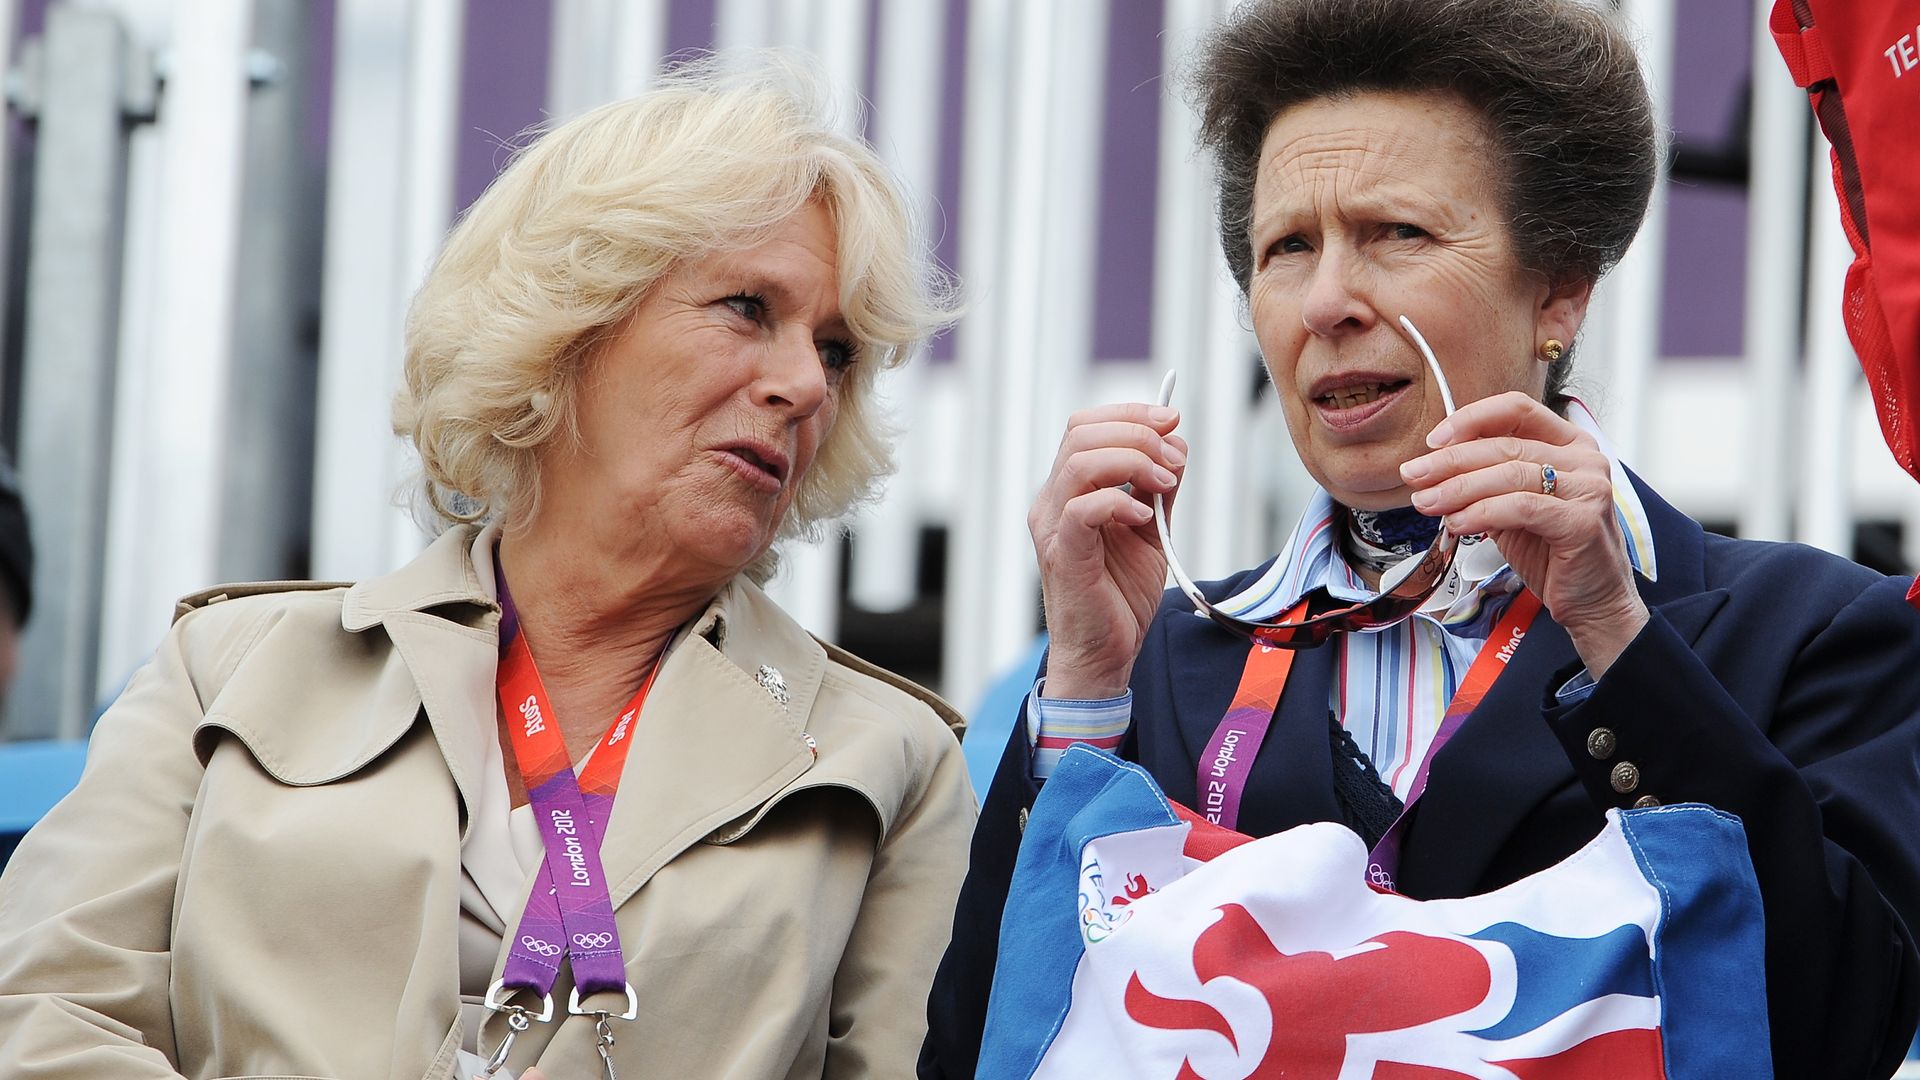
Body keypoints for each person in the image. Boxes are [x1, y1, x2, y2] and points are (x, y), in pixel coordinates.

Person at [922, 2, 1920, 1077]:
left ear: (1562, 287)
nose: (1329, 300)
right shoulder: (1162, 667)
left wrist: (1613, 634)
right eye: (1286, 248)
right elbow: (991, 1050)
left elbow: (1844, 1024)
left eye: (1396, 233)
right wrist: (1081, 690)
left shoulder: (1813, 636)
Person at [0, 55, 975, 1080]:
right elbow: (43, 1016)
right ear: (572, 326)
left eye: (835, 352)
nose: (799, 386)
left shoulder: (888, 761)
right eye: (745, 307)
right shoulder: (227, 665)